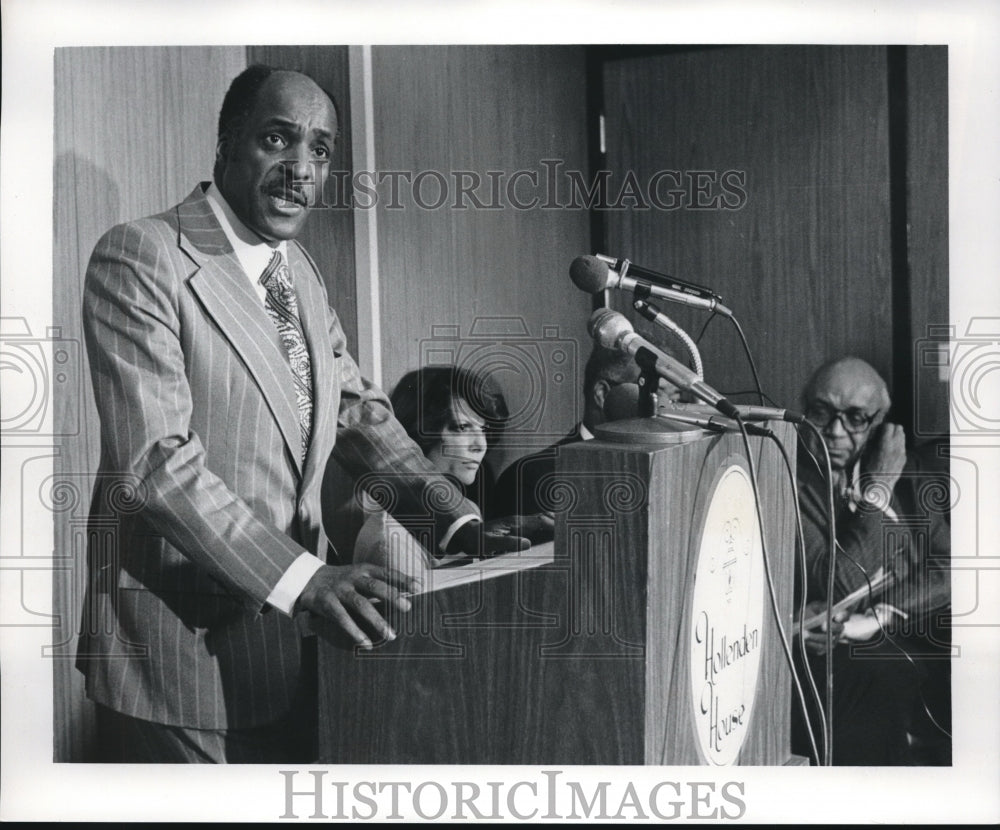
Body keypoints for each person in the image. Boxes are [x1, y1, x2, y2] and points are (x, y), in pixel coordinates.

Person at [75, 64, 525, 763]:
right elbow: (156, 466)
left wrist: (460, 522)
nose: (300, 170)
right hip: (171, 654)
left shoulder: (300, 275)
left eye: (319, 150)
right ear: (226, 144)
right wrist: (305, 580)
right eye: (278, 139)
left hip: (282, 650)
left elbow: (358, 414)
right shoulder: (142, 256)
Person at [793, 356, 951, 765]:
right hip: (837, 652)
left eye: (856, 418)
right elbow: (839, 582)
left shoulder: (911, 474)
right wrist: (877, 493)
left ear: (881, 424)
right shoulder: (790, 481)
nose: (834, 431)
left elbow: (951, 569)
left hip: (905, 630)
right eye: (821, 412)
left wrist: (883, 614)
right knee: (882, 673)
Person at [350, 365, 549, 580]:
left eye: (482, 429)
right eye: (462, 428)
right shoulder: (390, 535)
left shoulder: (468, 509)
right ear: (421, 430)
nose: (480, 445)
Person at [488, 344, 642, 519]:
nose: (667, 410)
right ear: (603, 394)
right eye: (655, 395)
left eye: (675, 400)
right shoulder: (528, 481)